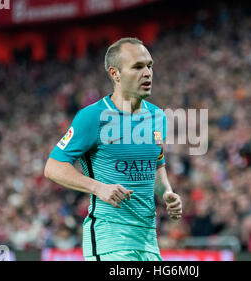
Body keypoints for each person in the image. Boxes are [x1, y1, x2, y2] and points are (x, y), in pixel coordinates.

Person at [44, 37, 182, 261]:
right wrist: (98, 188)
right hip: (109, 242)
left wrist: (166, 192)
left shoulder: (157, 116)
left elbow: (156, 166)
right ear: (115, 74)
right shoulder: (92, 117)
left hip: (148, 243)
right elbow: (53, 166)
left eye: (149, 66)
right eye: (137, 67)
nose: (147, 73)